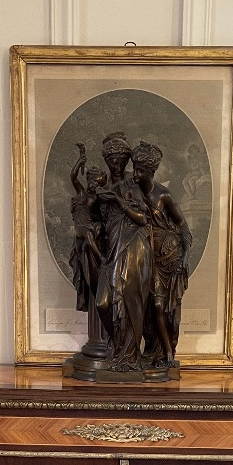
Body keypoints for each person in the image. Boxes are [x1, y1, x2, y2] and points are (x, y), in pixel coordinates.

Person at [94, 132, 154, 371]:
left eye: (120, 159)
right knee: (103, 303)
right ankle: (117, 345)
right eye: (111, 159)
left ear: (127, 160)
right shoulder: (100, 184)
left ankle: (128, 354)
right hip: (110, 248)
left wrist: (118, 201)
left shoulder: (131, 183)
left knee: (129, 300)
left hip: (133, 246)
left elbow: (142, 218)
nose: (116, 163)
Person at [131, 140, 192, 366]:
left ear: (151, 171)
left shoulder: (163, 195)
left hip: (168, 258)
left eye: (140, 171)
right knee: (148, 307)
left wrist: (184, 259)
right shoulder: (131, 192)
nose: (135, 175)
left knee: (164, 309)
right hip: (146, 259)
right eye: (134, 169)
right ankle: (151, 351)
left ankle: (166, 354)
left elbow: (183, 227)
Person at [68, 143, 107, 318]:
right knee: (88, 236)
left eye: (98, 184)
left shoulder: (99, 198)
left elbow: (103, 217)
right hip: (81, 229)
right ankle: (101, 258)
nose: (94, 186)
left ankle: (101, 259)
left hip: (90, 227)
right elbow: (73, 176)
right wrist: (80, 160)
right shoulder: (82, 193)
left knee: (92, 232)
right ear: (88, 180)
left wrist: (100, 225)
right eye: (92, 182)